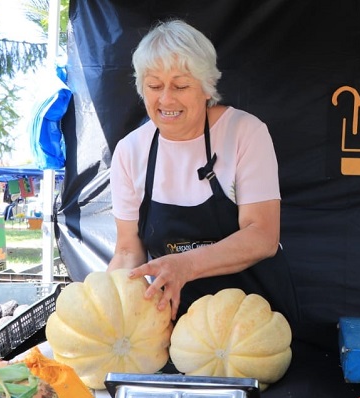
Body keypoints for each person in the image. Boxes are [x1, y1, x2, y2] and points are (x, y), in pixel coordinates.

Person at [108, 19, 300, 328]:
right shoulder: (130, 151)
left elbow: (263, 236)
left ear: (206, 87)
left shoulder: (244, 133)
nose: (166, 99)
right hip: (174, 327)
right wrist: (106, 304)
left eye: (181, 86)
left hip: (253, 323)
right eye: (154, 86)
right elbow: (129, 250)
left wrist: (185, 265)